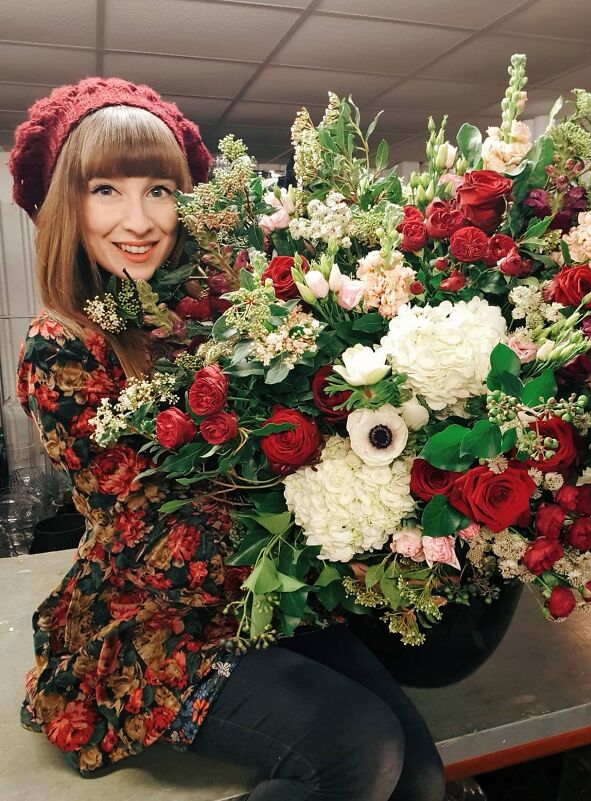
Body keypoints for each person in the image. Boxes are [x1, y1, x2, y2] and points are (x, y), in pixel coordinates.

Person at [11, 78, 446, 801]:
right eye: (106, 190)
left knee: (422, 777)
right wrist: (321, 521)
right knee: (359, 753)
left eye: (159, 190)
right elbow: (147, 535)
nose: (138, 219)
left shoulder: (203, 309)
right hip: (153, 620)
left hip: (262, 594)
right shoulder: (62, 347)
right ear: (68, 205)